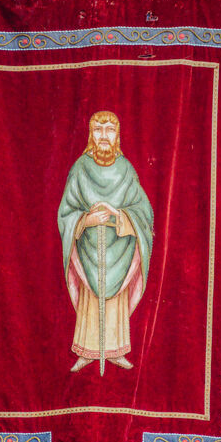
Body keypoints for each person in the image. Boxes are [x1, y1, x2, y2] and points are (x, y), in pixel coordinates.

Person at [57, 110, 154, 373]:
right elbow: (66, 212)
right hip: (89, 250)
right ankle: (86, 352)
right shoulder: (80, 168)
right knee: (90, 300)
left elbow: (144, 211)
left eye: (109, 130)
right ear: (91, 134)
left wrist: (119, 215)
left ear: (117, 135)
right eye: (98, 130)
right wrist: (85, 221)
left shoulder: (126, 169)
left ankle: (116, 350)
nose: (103, 136)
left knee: (115, 304)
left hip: (119, 251)